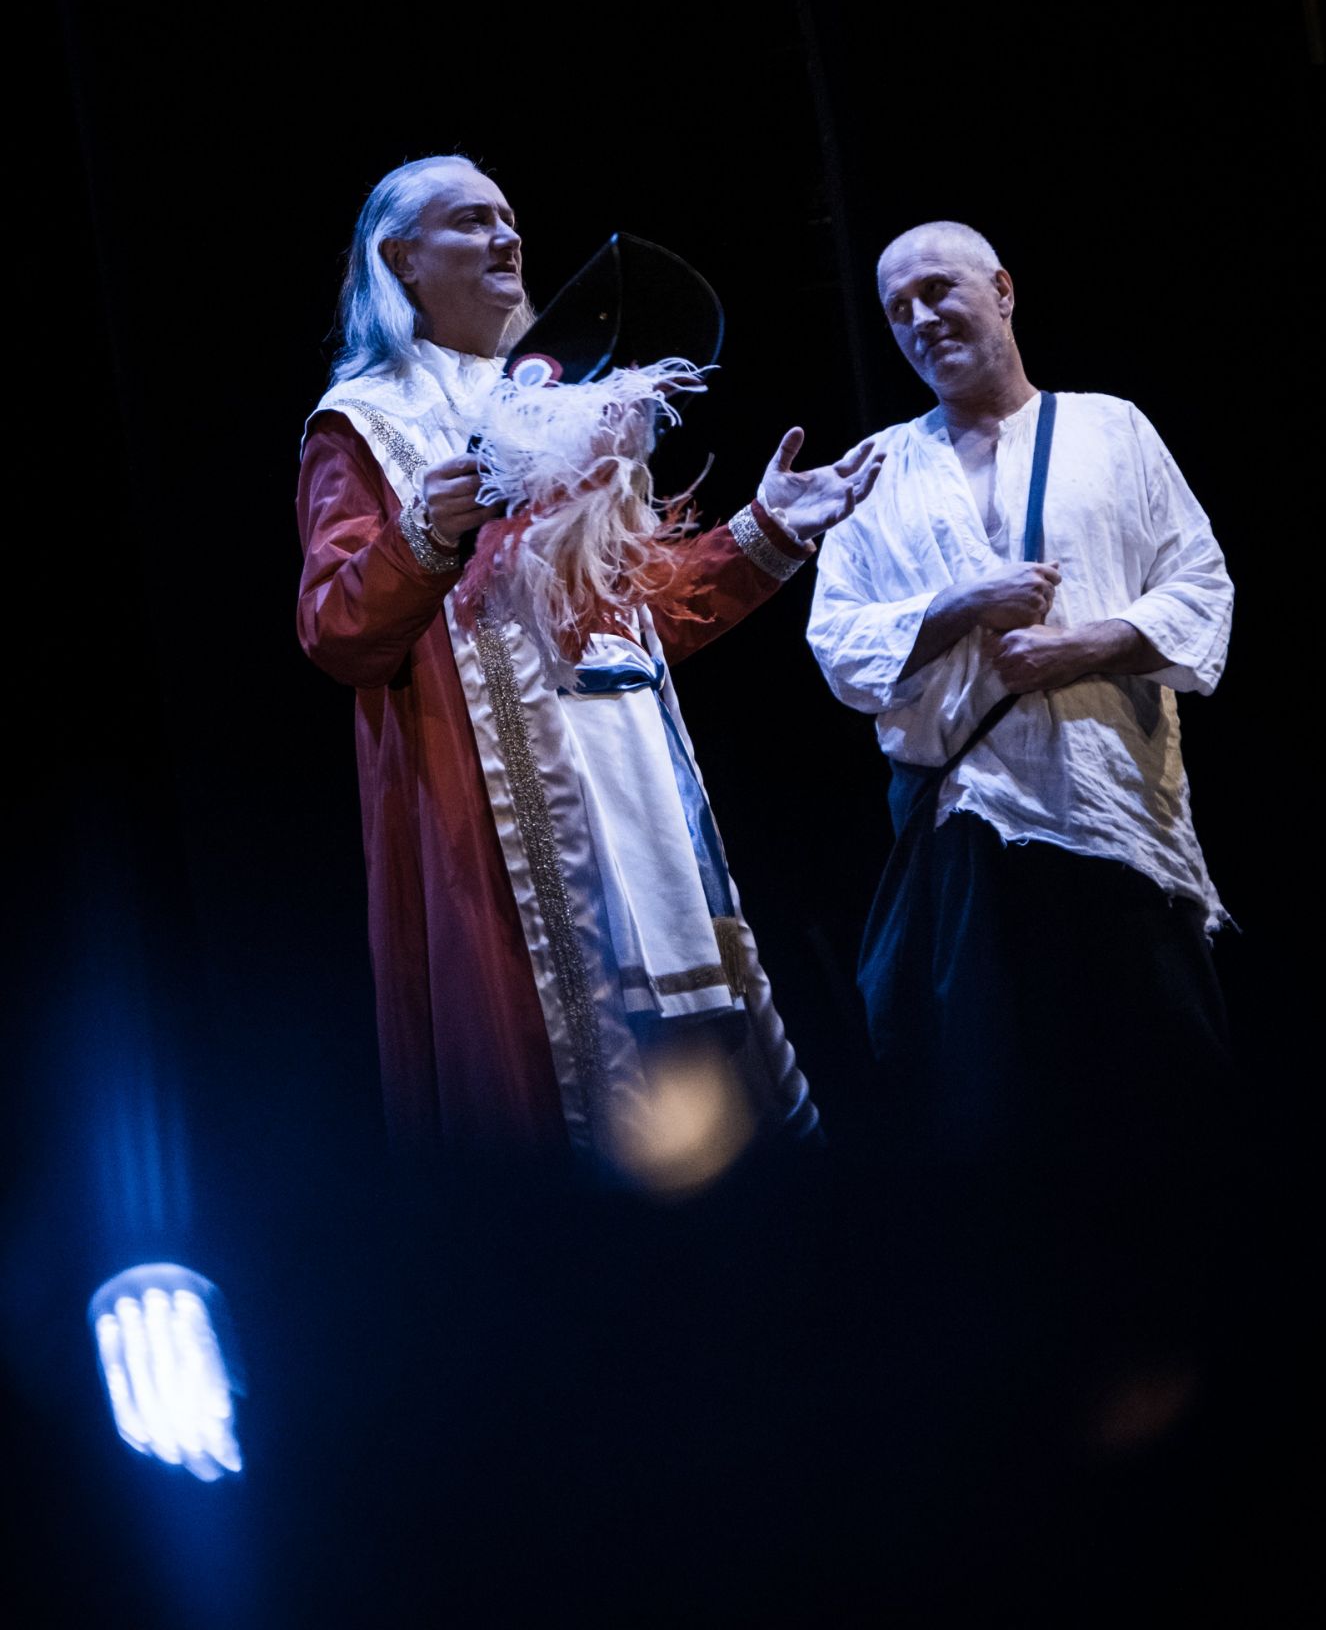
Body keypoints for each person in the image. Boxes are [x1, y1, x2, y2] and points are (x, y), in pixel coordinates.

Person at [297, 153, 881, 1162]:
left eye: (508, 218)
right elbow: (336, 629)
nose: (506, 237)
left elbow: (631, 622)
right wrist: (425, 535)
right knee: (559, 1097)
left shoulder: (570, 407)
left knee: (702, 1084)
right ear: (400, 259)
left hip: (635, 779)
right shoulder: (365, 425)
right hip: (498, 808)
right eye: (471, 221)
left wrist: (767, 531)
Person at [806, 219, 1236, 1239]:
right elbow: (839, 642)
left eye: (936, 290)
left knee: (1161, 1117)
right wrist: (960, 604)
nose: (919, 319)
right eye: (896, 308)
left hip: (1113, 825)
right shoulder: (876, 467)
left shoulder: (1109, 428)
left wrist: (1081, 644)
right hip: (966, 834)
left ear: (1001, 289)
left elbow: (1199, 585)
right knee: (994, 1126)